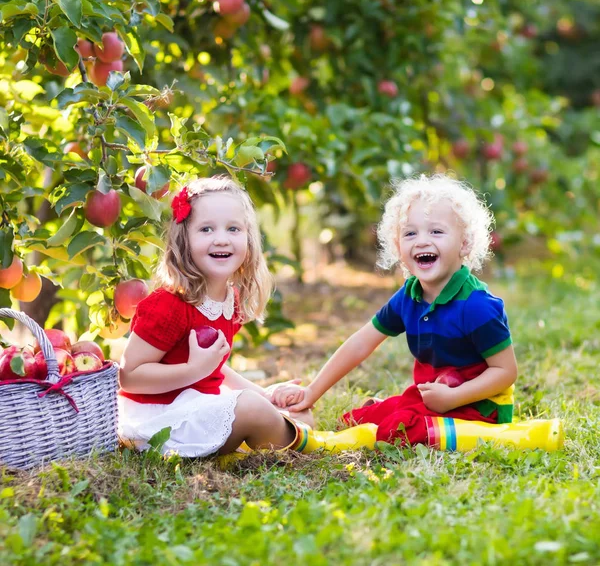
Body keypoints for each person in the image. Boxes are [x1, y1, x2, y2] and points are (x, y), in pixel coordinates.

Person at [119, 176, 377, 459]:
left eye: (233, 228)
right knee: (252, 409)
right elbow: (130, 377)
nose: (221, 238)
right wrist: (193, 371)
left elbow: (214, 368)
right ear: (184, 240)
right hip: (158, 422)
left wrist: (264, 393)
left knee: (297, 412)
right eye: (206, 229)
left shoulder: (230, 301)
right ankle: (322, 445)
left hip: (197, 405)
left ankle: (251, 445)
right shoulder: (168, 305)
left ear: (248, 239)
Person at [272, 173, 521, 448]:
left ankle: (394, 420)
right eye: (410, 233)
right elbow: (360, 344)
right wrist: (311, 392)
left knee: (396, 430)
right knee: (357, 418)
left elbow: (505, 372)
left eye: (436, 231)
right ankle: (388, 410)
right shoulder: (409, 296)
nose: (421, 241)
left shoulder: (476, 306)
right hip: (432, 397)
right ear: (397, 245)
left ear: (464, 243)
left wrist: (454, 397)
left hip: (478, 407)